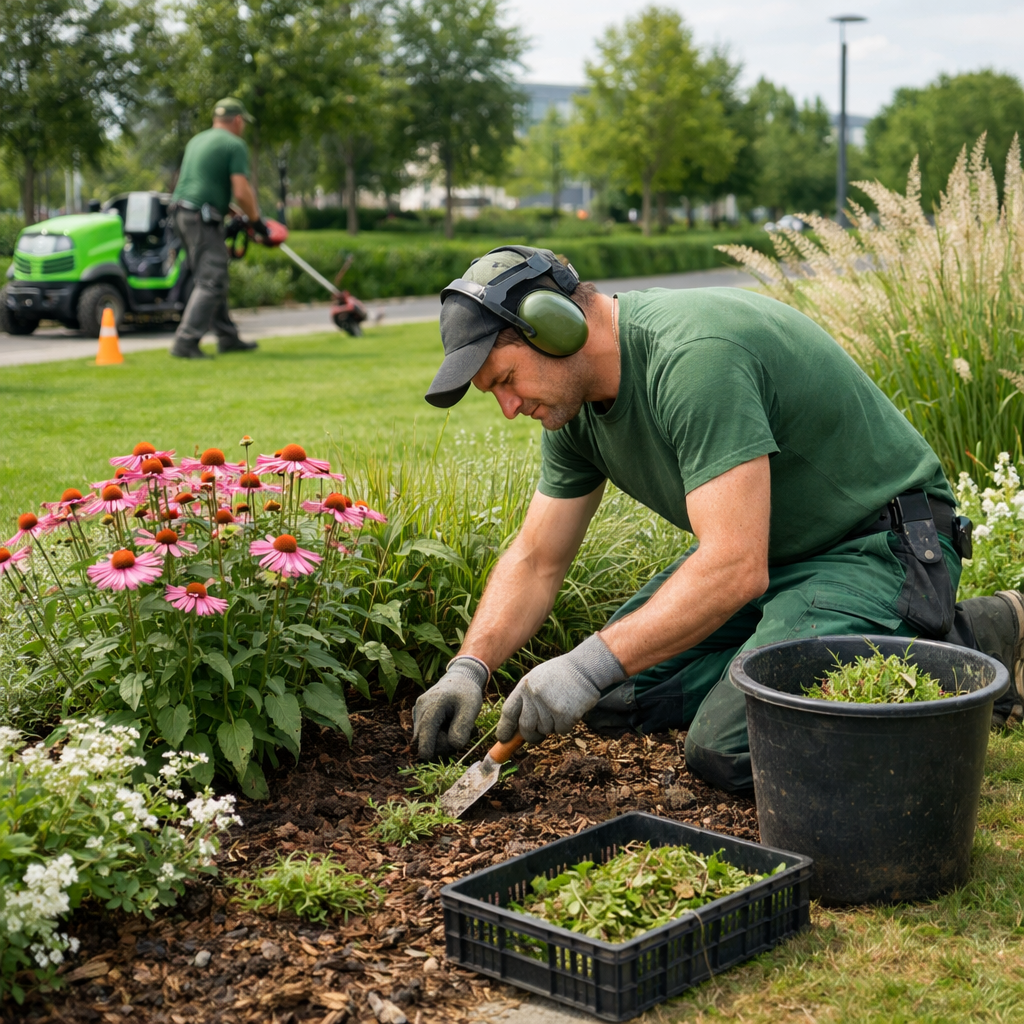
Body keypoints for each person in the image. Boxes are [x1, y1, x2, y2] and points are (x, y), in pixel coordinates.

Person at [411, 245, 1024, 791]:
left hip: (876, 546)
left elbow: (732, 567)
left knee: (729, 747)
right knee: (613, 696)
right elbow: (537, 559)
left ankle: (962, 639)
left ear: (555, 328)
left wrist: (583, 663)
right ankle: (800, 655)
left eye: (506, 380)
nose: (509, 407)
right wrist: (469, 668)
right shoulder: (574, 414)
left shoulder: (692, 358)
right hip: (778, 560)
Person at [169, 98, 263, 360]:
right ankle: (185, 342)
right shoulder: (234, 144)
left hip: (180, 213)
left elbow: (202, 183)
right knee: (212, 279)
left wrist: (232, 212)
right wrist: (257, 222)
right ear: (238, 120)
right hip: (201, 217)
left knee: (211, 276)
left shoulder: (197, 140)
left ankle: (227, 338)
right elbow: (242, 191)